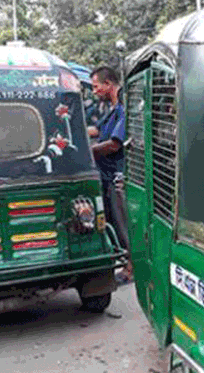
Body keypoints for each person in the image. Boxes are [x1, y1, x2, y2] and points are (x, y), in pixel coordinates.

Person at [87, 66, 133, 283]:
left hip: (118, 176)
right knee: (114, 221)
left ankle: (132, 269)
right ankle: (126, 263)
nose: (94, 91)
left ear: (108, 84)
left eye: (96, 87)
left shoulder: (124, 110)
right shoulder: (111, 110)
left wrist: (85, 152)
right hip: (106, 175)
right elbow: (96, 130)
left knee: (123, 223)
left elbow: (114, 144)